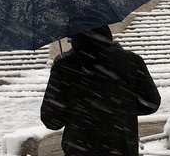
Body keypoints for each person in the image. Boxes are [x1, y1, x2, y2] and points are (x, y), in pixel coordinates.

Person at [40, 25, 161, 156]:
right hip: (122, 146)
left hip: (79, 148)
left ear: (73, 37)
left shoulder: (64, 66)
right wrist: (122, 109)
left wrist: (76, 110)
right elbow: (151, 103)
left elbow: (51, 120)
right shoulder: (132, 60)